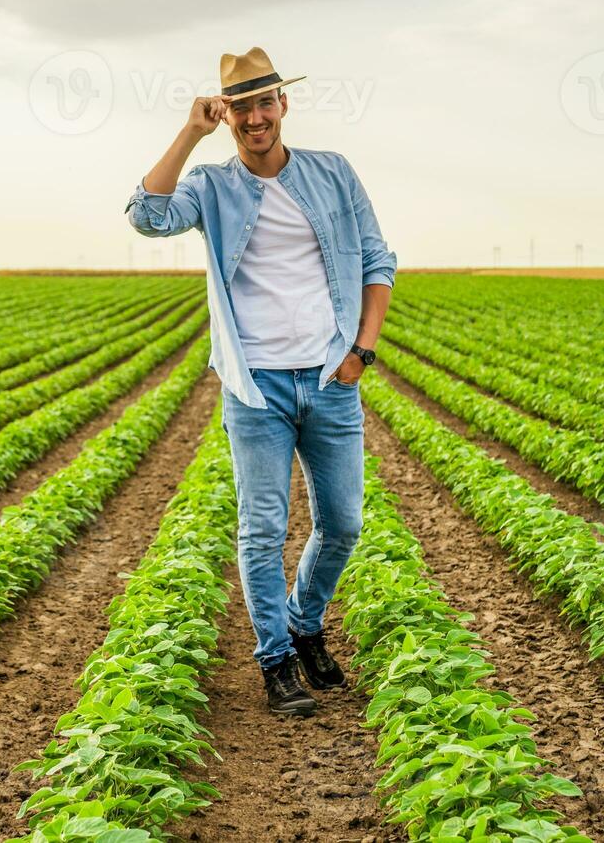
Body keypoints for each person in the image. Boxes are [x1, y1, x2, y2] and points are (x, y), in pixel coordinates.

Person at [124, 46, 397, 716]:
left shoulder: (332, 173)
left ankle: (306, 623)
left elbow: (376, 260)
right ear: (229, 114)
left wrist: (361, 351)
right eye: (240, 107)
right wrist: (191, 131)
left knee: (343, 525)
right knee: (262, 529)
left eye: (263, 103)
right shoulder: (213, 188)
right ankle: (276, 659)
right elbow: (145, 215)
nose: (254, 118)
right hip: (257, 388)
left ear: (284, 105)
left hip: (331, 377)